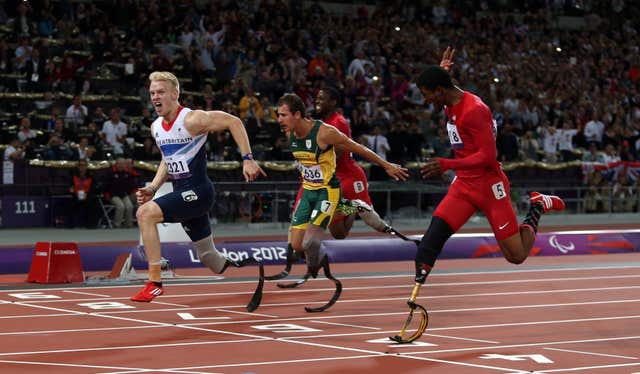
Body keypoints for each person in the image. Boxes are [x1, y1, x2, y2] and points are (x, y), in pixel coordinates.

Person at [413, 48, 566, 286]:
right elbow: (443, 84)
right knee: (434, 236)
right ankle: (417, 287)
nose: (426, 100)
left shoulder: (474, 111)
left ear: (439, 91)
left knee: (516, 255)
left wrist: (447, 164)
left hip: (489, 184)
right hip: (464, 184)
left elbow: (487, 156)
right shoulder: (447, 99)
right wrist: (443, 68)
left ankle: (537, 206)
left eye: (427, 95)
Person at [132, 71, 265, 302]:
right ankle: (251, 267)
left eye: (161, 92)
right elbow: (168, 158)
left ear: (175, 94)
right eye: (152, 93)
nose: (155, 97)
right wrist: (153, 187)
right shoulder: (156, 127)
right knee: (210, 259)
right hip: (181, 193)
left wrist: (247, 158)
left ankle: (154, 282)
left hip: (199, 192)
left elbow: (234, 121)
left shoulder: (192, 119)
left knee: (145, 213)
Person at [276, 93, 408, 278]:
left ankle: (351, 206)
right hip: (309, 188)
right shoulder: (290, 133)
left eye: (283, 115)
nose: (279, 120)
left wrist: (386, 165)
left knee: (318, 240)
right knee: (298, 245)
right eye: (278, 115)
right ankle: (347, 208)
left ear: (297, 114)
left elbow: (357, 148)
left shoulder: (327, 131)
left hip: (329, 188)